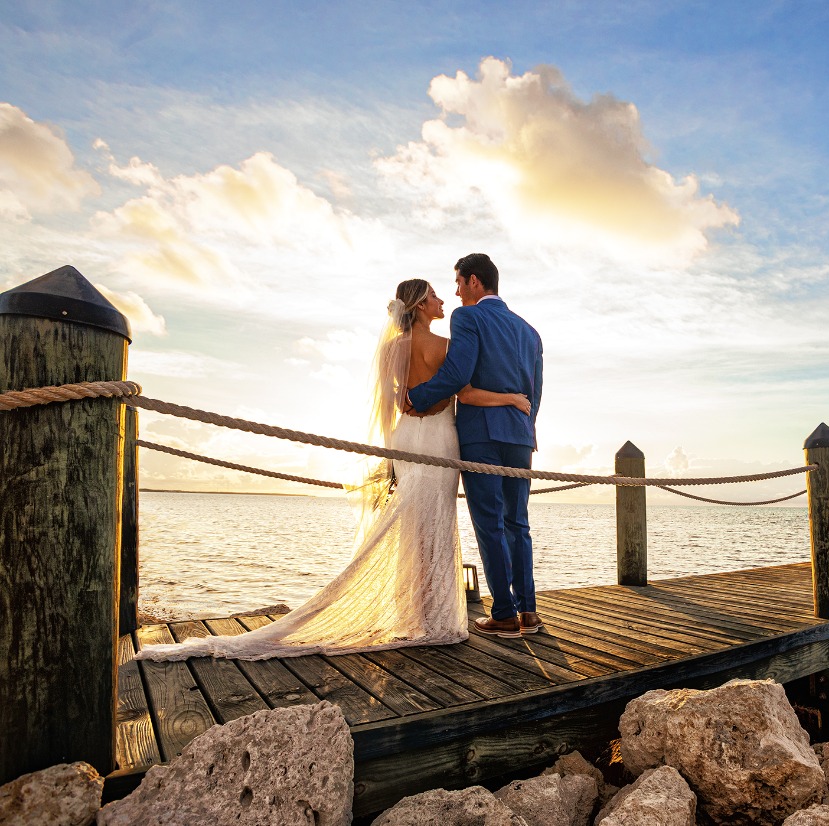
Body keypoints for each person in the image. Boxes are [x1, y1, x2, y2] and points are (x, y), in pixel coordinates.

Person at [135, 278, 529, 661]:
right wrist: (509, 397)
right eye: (434, 296)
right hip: (440, 437)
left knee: (412, 524)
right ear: (422, 305)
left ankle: (416, 611)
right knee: (435, 521)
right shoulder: (444, 346)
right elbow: (462, 390)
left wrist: (414, 407)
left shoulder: (391, 348)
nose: (443, 300)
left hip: (406, 437)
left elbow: (393, 400)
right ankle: (433, 615)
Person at [406, 253, 543, 639]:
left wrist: (418, 396)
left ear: (475, 282)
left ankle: (502, 614)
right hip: (520, 436)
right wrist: (525, 428)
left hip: (481, 434)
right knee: (518, 522)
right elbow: (537, 393)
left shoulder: (468, 317)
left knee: (489, 523)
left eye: (459, 283)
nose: (455, 292)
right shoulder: (530, 331)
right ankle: (528, 612)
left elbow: (458, 373)